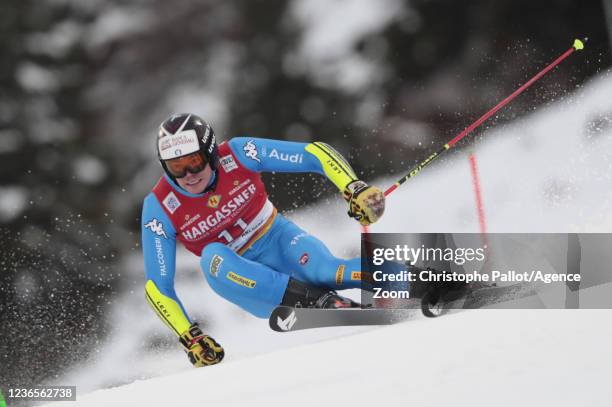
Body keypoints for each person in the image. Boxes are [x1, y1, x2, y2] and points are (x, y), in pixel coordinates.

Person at [141, 113, 385, 367]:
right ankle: (315, 301)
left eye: (194, 161)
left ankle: (412, 276)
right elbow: (157, 287)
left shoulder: (238, 153)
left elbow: (315, 152)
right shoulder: (159, 207)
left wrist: (353, 187)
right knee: (212, 257)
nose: (188, 175)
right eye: (176, 167)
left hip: (278, 239)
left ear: (211, 152)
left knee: (326, 271)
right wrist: (190, 337)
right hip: (247, 282)